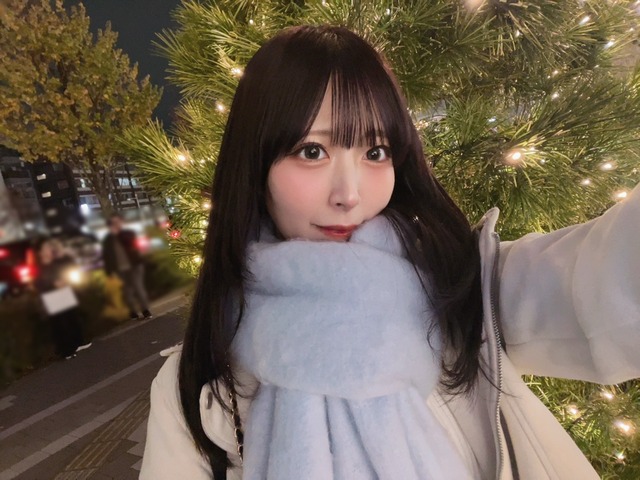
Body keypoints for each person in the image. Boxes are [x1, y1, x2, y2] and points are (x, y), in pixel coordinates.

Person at [140, 25, 640, 480]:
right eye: (312, 151)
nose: (349, 194)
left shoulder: (460, 291)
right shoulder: (197, 385)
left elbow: (605, 281)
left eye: (375, 152)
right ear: (256, 164)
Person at [34, 239, 91, 359]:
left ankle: (78, 342)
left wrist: (64, 280)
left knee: (71, 318)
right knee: (59, 324)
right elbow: (39, 283)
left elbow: (67, 269)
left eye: (49, 247)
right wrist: (53, 284)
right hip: (52, 296)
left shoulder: (56, 261)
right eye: (46, 248)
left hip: (63, 292)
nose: (49, 250)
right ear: (40, 252)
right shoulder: (39, 266)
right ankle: (66, 351)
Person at [101, 213, 152, 320]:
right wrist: (108, 272)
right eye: (113, 223)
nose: (116, 224)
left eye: (117, 222)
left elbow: (129, 243)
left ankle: (145, 310)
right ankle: (133, 311)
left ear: (121, 222)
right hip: (120, 269)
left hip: (135, 266)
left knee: (138, 287)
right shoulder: (108, 240)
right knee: (126, 291)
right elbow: (106, 256)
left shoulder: (128, 233)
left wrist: (117, 234)